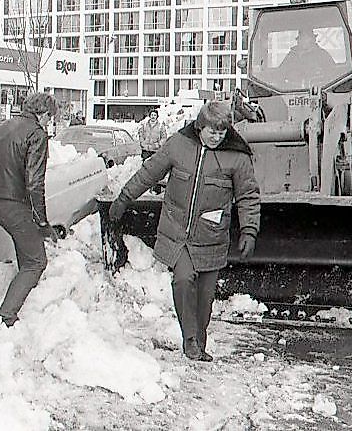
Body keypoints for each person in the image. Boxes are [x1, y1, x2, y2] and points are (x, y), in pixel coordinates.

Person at [109, 101, 260, 362]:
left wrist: (249, 229)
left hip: (211, 235)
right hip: (177, 232)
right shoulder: (178, 145)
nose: (217, 136)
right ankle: (189, 339)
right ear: (200, 127)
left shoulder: (237, 156)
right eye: (212, 131)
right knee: (183, 279)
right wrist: (123, 198)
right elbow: (149, 173)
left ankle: (200, 343)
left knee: (205, 296)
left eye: (222, 132)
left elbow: (248, 196)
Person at [0, 91, 60, 327]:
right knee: (36, 262)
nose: (49, 122)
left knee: (25, 251)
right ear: (43, 114)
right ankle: (6, 317)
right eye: (50, 117)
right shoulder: (37, 135)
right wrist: (42, 222)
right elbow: (35, 183)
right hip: (16, 206)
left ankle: (26, 298)